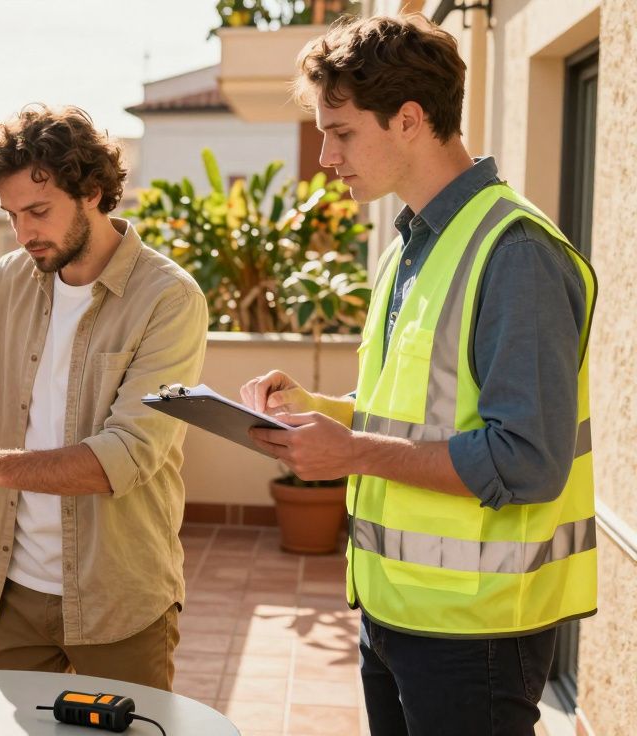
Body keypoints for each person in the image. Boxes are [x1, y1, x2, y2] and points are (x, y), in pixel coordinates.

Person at [238, 15, 596, 735]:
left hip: (476, 634)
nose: (325, 157)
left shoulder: (516, 252)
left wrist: (354, 452)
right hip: (392, 613)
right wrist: (319, 411)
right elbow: (408, 412)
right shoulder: (407, 248)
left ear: (408, 119)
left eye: (341, 133)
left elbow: (526, 461)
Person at [0, 105, 207, 690]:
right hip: (13, 592)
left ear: (92, 193)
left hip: (120, 597)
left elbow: (126, 455)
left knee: (130, 732)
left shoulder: (168, 299)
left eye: (38, 211)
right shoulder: (9, 279)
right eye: (11, 215)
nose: (23, 232)